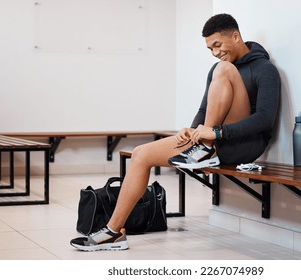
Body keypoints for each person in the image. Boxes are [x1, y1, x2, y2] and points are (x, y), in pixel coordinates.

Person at [70, 13, 280, 251]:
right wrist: (191, 131)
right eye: (209, 48)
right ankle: (113, 232)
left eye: (217, 45)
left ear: (235, 36)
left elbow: (264, 120)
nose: (214, 52)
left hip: (243, 143)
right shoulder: (218, 69)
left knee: (223, 68)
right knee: (141, 154)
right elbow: (204, 110)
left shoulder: (264, 69)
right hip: (212, 141)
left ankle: (203, 148)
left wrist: (217, 134)